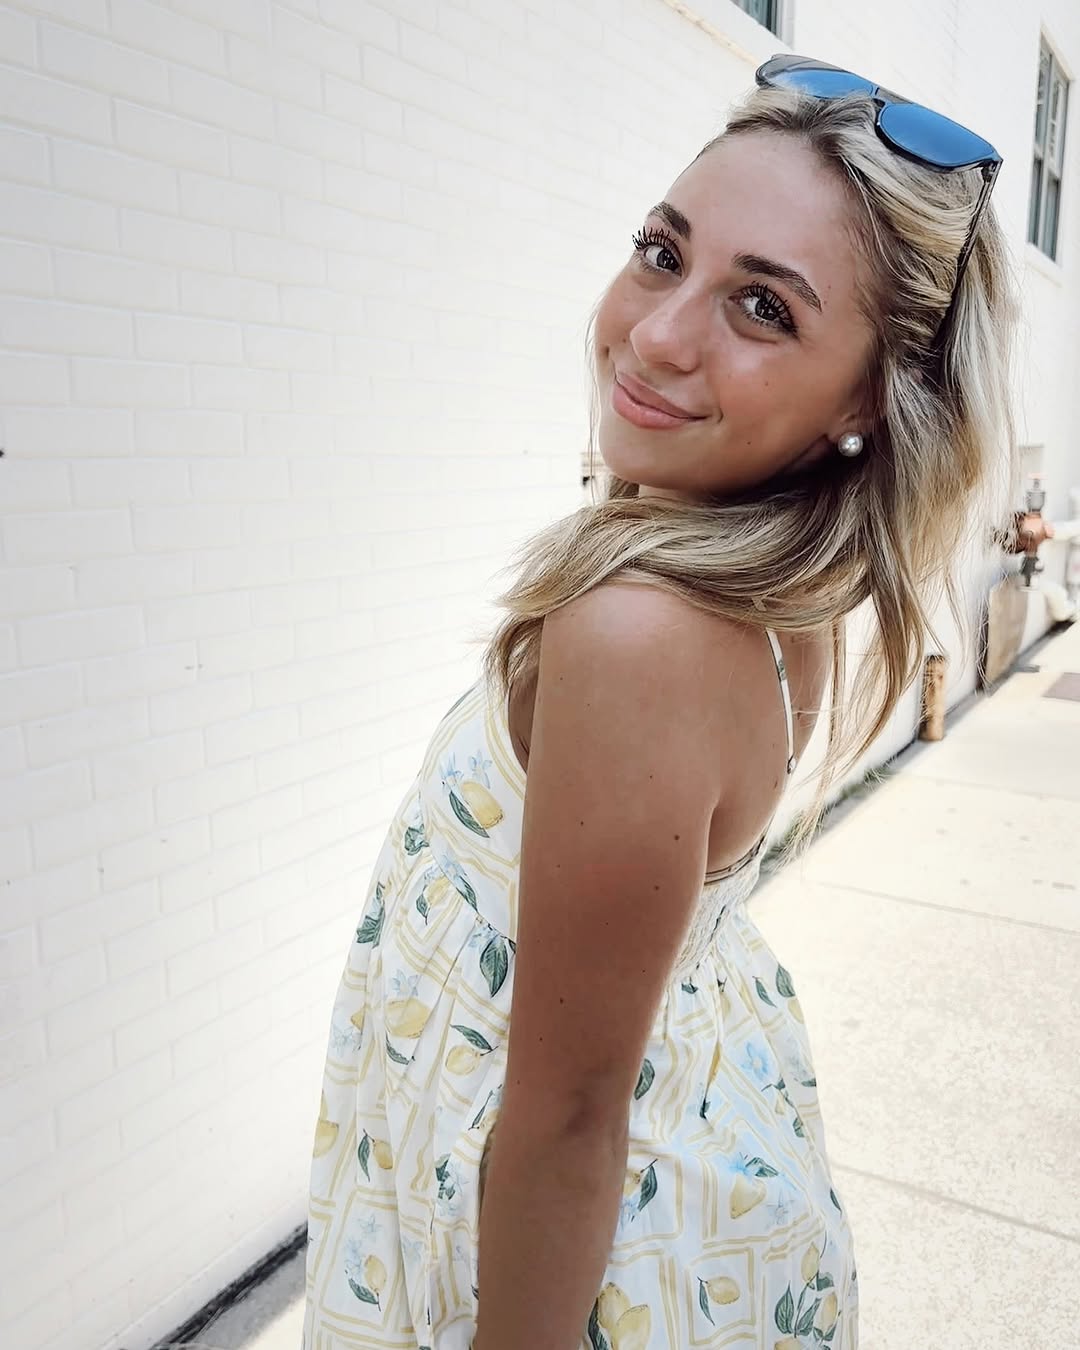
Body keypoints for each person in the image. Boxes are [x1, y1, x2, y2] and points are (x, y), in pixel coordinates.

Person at [301, 55, 1016, 1350]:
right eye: (661, 253)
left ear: (867, 395)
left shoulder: (639, 633)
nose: (659, 334)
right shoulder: (765, 566)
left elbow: (570, 1113)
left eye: (763, 307)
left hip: (577, 1255)